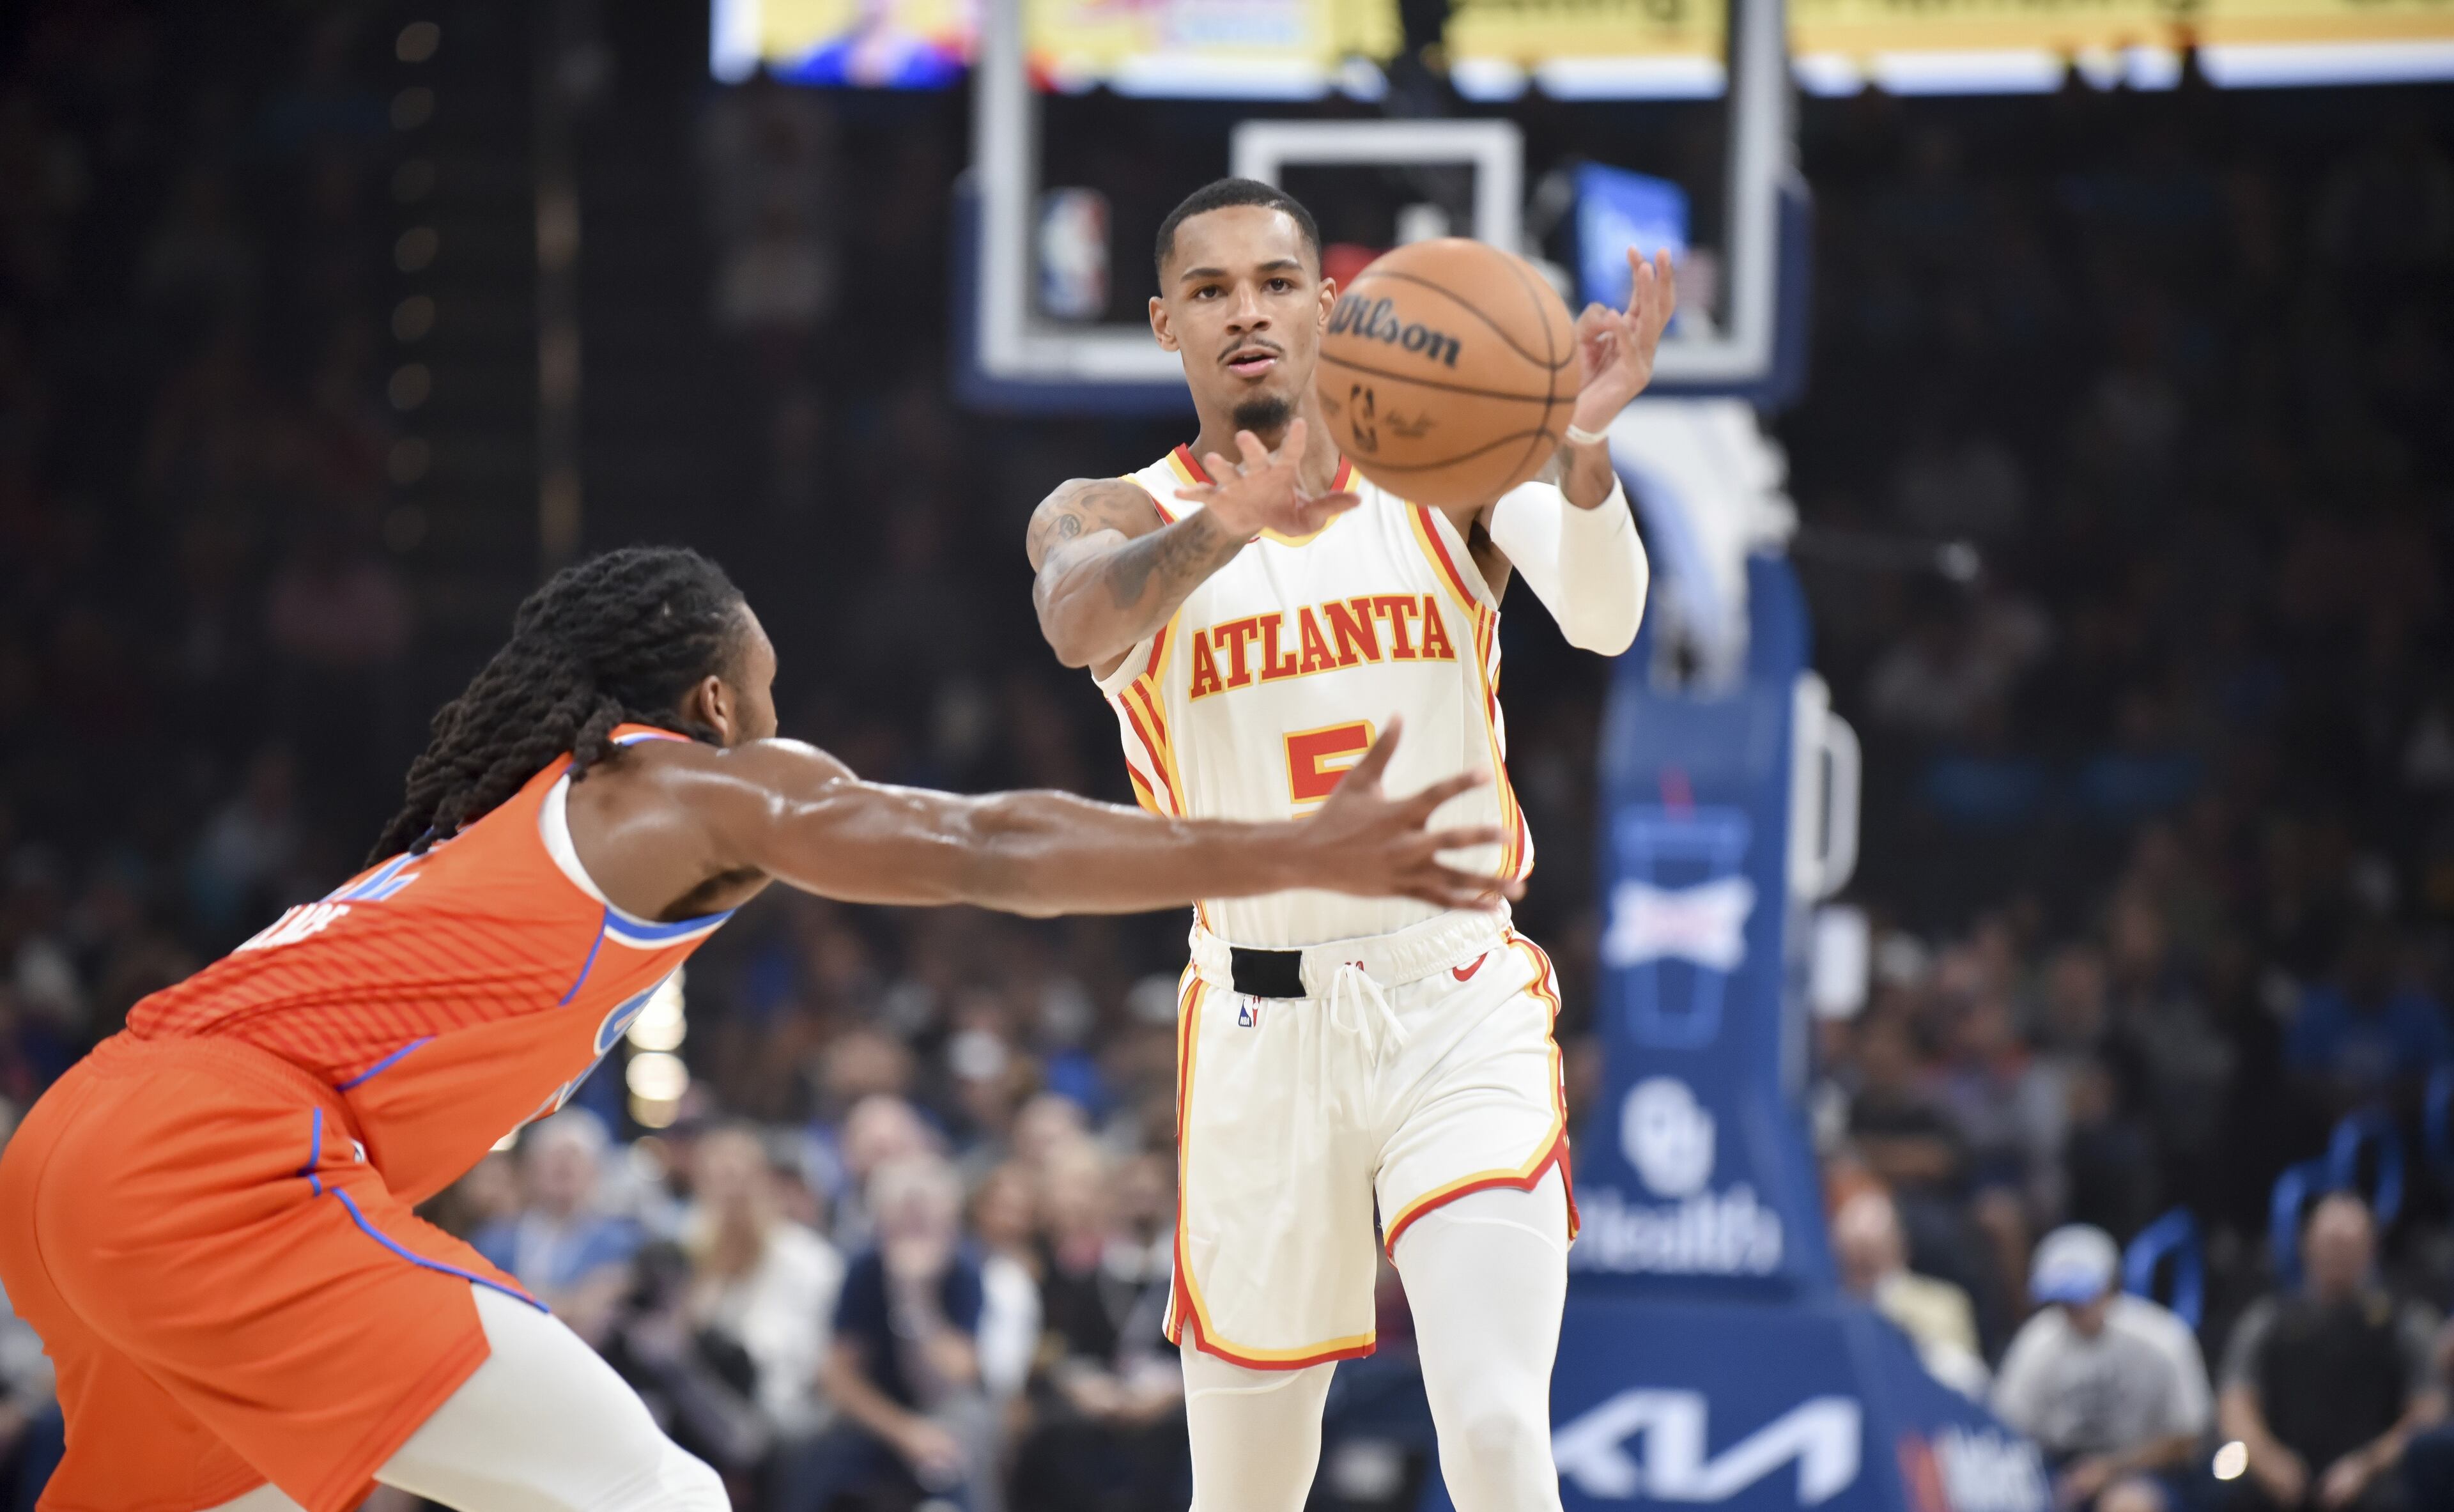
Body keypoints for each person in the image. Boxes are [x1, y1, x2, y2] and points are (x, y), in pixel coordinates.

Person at [0, 544, 1509, 1512]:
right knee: (655, 1503)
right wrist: (1281, 849)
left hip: (74, 1148)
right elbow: (980, 850)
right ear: (717, 699)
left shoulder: (508, 825)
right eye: (774, 693)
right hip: (208, 1166)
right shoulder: (675, 790)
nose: (791, 727)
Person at [1023, 178, 1666, 1512]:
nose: (1245, 312)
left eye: (1273, 282)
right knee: (1247, 1491)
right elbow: (1074, 618)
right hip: (1260, 1031)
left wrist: (1586, 457)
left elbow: (1605, 620)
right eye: (1210, 291)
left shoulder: (1448, 467)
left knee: (1493, 1426)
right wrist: (1225, 524)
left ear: (1329, 304)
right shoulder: (1115, 508)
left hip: (1457, 999)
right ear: (1163, 325)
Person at [783, 1155, 991, 1512]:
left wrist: (915, 1297)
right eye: (903, 1214)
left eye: (925, 1214)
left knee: (963, 1453)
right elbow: (839, 1377)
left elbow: (955, 1377)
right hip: (877, 1414)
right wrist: (904, 1432)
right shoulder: (864, 1270)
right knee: (812, 1450)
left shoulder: (964, 1270)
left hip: (947, 1410)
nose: (915, 1224)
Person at [2219, 1194, 2446, 1511]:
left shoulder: (2407, 1323)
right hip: (2284, 1474)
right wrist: (2271, 1462)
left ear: (2371, 1247)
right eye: (2329, 1241)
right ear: (2306, 1244)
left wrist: (2366, 1467)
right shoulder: (2267, 1321)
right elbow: (2236, 1408)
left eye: (2348, 1243)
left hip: (2378, 1477)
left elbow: (2428, 1414)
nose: (2338, 1252)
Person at [1991, 1224, 2211, 1512]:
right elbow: (2009, 1429)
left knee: (2128, 1505)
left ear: (2112, 1287)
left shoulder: (2162, 1339)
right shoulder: (2036, 1343)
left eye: (2082, 1298)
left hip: (2146, 1467)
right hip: (2061, 1464)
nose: (2074, 1311)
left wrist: (2109, 1469)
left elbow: (2188, 1439)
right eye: (2064, 1301)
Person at [679, 1123, 844, 1443]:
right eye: (718, 1182)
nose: (731, 1196)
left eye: (740, 1182)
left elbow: (808, 1357)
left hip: (777, 1410)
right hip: (699, 1403)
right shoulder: (686, 1253)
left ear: (764, 1184)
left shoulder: (809, 1259)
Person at [469, 1110, 642, 1349]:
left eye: (574, 1155)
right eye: (552, 1156)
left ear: (596, 1170)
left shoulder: (624, 1244)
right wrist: (575, 1303)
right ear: (530, 1169)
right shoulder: (493, 1240)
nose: (563, 1165)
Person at [1832, 1189, 1988, 1397]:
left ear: (1901, 1249)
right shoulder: (1829, 1312)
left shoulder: (1943, 1304)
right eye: (1853, 1264)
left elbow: (1963, 1381)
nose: (1862, 1275)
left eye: (1870, 1262)